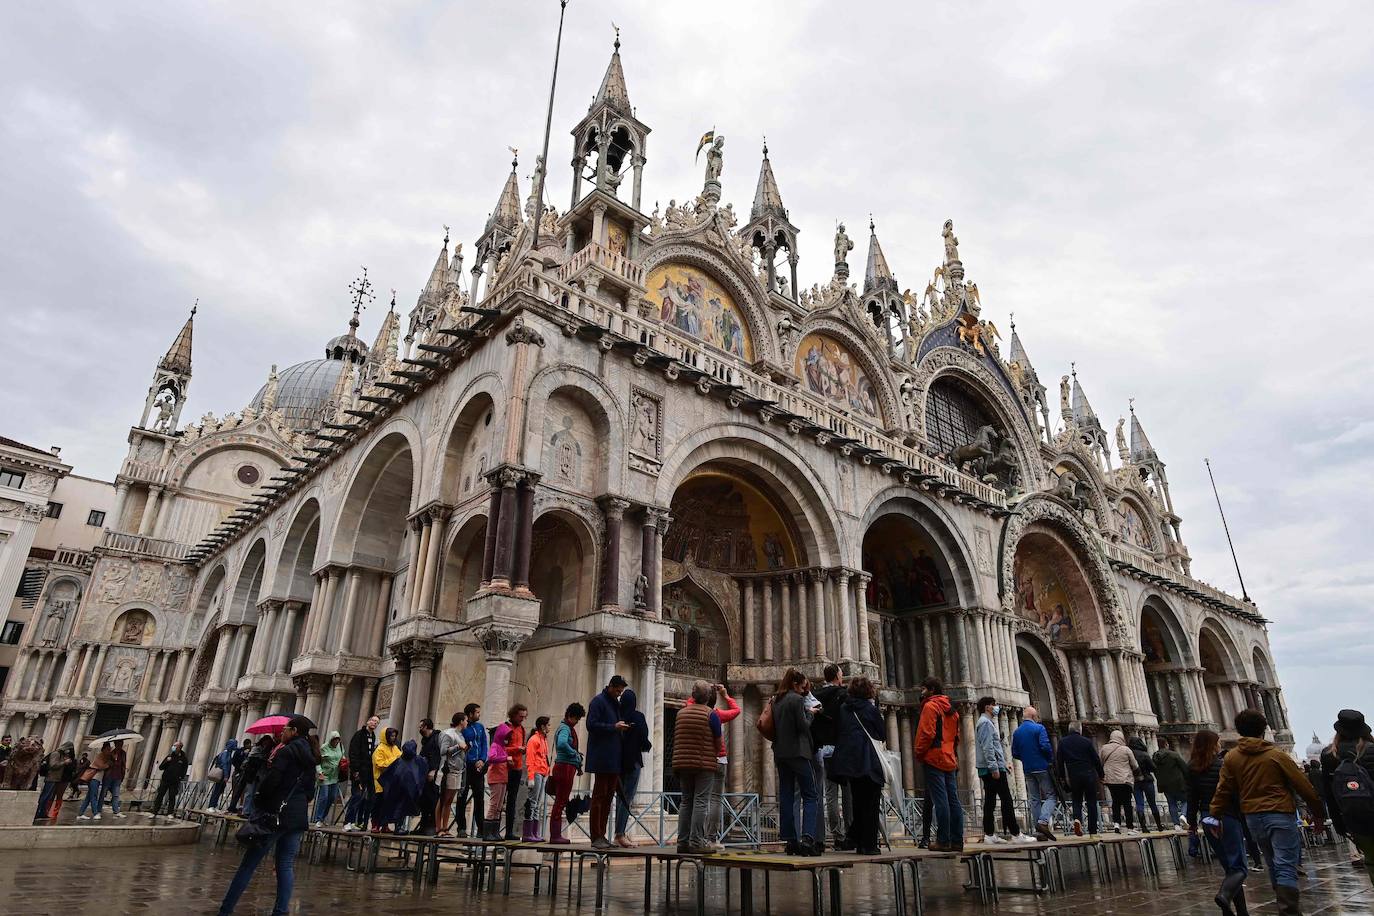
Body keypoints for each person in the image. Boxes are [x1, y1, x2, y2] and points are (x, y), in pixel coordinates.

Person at [1212, 709, 1326, 916]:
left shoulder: (1232, 757)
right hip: (1279, 814)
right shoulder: (1276, 755)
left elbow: (1223, 790)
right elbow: (1303, 786)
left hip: (1253, 818)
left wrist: (1215, 815)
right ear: (1264, 729)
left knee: (1273, 860)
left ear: (1239, 731)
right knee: (1285, 863)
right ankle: (1289, 910)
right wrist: (1318, 813)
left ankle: (1284, 904)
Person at [215, 715, 319, 915]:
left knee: (248, 865)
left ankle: (226, 910)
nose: (283, 732)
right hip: (296, 818)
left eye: (287, 728)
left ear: (295, 731)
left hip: (275, 815)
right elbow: (310, 791)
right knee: (286, 865)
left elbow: (271, 783)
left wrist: (259, 802)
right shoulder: (311, 757)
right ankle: (280, 912)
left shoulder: (286, 752)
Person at [1189, 729, 1250, 916]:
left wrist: (1192, 824)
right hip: (1226, 816)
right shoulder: (1223, 765)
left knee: (1229, 867)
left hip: (1207, 818)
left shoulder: (1191, 767)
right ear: (1212, 745)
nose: (1220, 744)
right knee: (1239, 867)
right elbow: (1234, 794)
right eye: (1218, 742)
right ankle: (1224, 895)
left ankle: (1239, 911)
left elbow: (1191, 799)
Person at [829, 676, 886, 855]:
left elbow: (838, 730)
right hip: (869, 761)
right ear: (869, 691)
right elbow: (882, 733)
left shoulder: (844, 709)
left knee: (858, 802)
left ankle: (858, 841)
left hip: (850, 764)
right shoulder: (871, 709)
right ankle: (868, 845)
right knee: (871, 804)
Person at [1320, 709, 1374, 886]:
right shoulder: (1371, 750)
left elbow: (1330, 794)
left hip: (1355, 821)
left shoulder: (1329, 756)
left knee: (1372, 861)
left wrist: (1339, 824)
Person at [772, 668, 821, 856]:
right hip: (798, 753)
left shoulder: (776, 700)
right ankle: (808, 838)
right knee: (810, 794)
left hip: (781, 753)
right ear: (795, 684)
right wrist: (811, 714)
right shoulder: (797, 700)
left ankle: (790, 840)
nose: (803, 691)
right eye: (802, 687)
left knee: (786, 794)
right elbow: (803, 726)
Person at [674, 679, 725, 854]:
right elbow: (719, 744)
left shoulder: (681, 713)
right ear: (709, 697)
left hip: (682, 762)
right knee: (701, 801)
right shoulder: (711, 715)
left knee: (686, 801)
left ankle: (682, 841)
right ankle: (696, 842)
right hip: (703, 764)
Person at [685, 683, 739, 847]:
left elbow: (690, 702)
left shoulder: (692, 710)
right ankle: (712, 838)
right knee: (715, 799)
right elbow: (736, 710)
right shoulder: (717, 714)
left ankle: (694, 838)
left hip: (702, 759)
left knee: (697, 800)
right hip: (719, 759)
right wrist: (725, 694)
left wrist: (701, 691)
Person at [916, 677, 963, 852]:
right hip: (949, 757)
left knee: (940, 800)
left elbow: (926, 733)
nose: (921, 692)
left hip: (934, 757)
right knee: (953, 800)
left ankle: (943, 840)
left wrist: (919, 753)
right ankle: (957, 840)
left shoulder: (931, 706)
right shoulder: (952, 710)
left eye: (923, 689)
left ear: (932, 690)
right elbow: (956, 736)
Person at [811, 663, 854, 850]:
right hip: (841, 748)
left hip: (821, 748)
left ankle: (835, 835)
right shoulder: (843, 695)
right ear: (837, 676)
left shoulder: (816, 694)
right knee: (847, 793)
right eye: (841, 674)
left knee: (829, 794)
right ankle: (850, 834)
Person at [586, 674, 630, 849]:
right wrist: (613, 727)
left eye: (621, 691)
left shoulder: (614, 704)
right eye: (618, 690)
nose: (619, 694)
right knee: (599, 797)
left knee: (608, 797)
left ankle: (602, 835)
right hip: (602, 757)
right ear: (610, 686)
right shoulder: (598, 702)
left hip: (613, 758)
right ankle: (595, 836)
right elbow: (591, 725)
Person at [975, 697, 1025, 843]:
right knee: (1006, 799)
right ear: (987, 707)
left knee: (990, 801)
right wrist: (995, 767)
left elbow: (994, 747)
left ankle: (990, 835)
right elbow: (988, 747)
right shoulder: (985, 723)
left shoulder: (986, 722)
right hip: (992, 769)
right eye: (994, 705)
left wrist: (1003, 763)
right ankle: (1016, 834)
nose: (996, 707)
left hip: (991, 767)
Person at [1012, 706, 1057, 841]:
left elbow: (1015, 753)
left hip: (1027, 768)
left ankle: (1040, 833)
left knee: (1034, 799)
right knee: (1051, 796)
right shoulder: (1039, 728)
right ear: (1034, 717)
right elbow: (1045, 746)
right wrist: (1049, 759)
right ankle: (1043, 822)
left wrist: (1026, 759)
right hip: (1042, 767)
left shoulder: (1017, 732)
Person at [613, 688, 650, 847]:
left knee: (621, 798)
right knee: (626, 798)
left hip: (617, 762)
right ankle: (620, 834)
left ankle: (619, 832)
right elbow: (644, 737)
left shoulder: (617, 716)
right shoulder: (637, 716)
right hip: (633, 761)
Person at [486, 704, 528, 840]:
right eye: (520, 716)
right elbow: (501, 749)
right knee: (498, 801)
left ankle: (509, 831)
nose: (522, 719)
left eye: (524, 717)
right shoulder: (504, 728)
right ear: (514, 714)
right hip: (505, 768)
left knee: (512, 800)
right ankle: (492, 832)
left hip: (517, 767)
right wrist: (517, 749)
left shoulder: (521, 729)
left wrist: (522, 750)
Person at [1056, 721, 1104, 835]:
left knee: (1076, 799)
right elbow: (1096, 759)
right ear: (1079, 730)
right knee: (1091, 801)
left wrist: (1062, 777)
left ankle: (1077, 820)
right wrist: (1101, 775)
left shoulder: (1062, 742)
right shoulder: (1086, 742)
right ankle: (1093, 829)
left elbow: (1059, 762)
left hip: (1073, 775)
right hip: (1088, 774)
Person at [549, 703, 585, 844]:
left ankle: (556, 834)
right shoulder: (565, 728)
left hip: (566, 767)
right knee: (560, 801)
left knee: (561, 800)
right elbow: (562, 744)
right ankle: (555, 835)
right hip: (564, 767)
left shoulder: (566, 727)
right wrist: (574, 753)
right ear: (571, 716)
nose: (577, 722)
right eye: (576, 719)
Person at [377, 739, 428, 834]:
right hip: (404, 790)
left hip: (399, 790)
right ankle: (398, 827)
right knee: (400, 809)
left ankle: (397, 826)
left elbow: (389, 775)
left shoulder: (401, 761)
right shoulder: (414, 760)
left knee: (399, 809)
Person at [455, 703, 488, 837]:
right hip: (465, 766)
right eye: (477, 712)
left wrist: (482, 759)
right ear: (470, 714)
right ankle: (461, 828)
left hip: (478, 766)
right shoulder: (463, 728)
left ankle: (481, 828)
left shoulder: (480, 727)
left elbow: (484, 744)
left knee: (479, 797)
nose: (479, 715)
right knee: (462, 796)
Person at [1100, 729, 1140, 833]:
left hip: (1110, 780)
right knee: (1127, 803)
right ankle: (1130, 827)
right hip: (1124, 779)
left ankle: (1116, 824)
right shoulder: (1125, 749)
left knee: (1115, 801)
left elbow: (1100, 761)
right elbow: (1135, 765)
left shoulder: (1104, 748)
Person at [435, 711, 469, 836]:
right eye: (465, 720)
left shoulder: (460, 735)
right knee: (443, 798)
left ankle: (446, 827)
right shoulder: (448, 734)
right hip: (447, 770)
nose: (467, 723)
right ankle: (439, 828)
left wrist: (463, 748)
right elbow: (443, 751)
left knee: (449, 800)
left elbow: (459, 751)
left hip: (457, 769)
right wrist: (458, 747)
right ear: (460, 721)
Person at [344, 715, 379, 831]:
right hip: (359, 772)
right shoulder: (359, 735)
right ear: (368, 721)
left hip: (368, 773)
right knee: (357, 795)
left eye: (377, 722)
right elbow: (353, 752)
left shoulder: (373, 736)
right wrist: (355, 770)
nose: (374, 723)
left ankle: (359, 821)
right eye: (373, 721)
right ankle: (348, 821)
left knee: (366, 798)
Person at [1128, 735, 1164, 831]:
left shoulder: (1129, 754)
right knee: (1152, 803)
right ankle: (1159, 825)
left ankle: (1143, 826)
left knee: (1139, 803)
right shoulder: (1144, 754)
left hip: (1135, 781)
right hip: (1147, 780)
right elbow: (1153, 767)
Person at [524, 716, 552, 842]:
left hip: (542, 773)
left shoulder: (544, 740)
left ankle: (534, 832)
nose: (550, 727)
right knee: (532, 802)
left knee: (537, 803)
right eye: (548, 725)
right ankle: (528, 833)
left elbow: (544, 757)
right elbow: (530, 760)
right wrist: (530, 777)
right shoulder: (534, 740)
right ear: (543, 726)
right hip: (535, 773)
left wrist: (548, 771)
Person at [1154, 738, 1191, 828]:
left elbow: (1155, 770)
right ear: (1166, 745)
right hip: (1178, 783)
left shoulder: (1155, 757)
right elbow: (1184, 767)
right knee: (1186, 800)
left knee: (1171, 804)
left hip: (1164, 785)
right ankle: (1183, 815)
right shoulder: (1173, 755)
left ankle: (1176, 824)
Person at [35, 741, 75, 821]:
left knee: (48, 796)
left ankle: (43, 813)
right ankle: (38, 812)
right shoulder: (56, 753)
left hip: (55, 778)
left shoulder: (60, 754)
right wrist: (64, 762)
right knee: (45, 796)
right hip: (51, 777)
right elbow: (53, 765)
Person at [370, 727, 401, 833]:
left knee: (388, 804)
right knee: (378, 804)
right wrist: (394, 761)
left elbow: (400, 758)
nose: (393, 738)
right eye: (391, 736)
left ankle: (385, 825)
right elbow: (380, 764)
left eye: (394, 736)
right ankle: (375, 825)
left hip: (391, 782)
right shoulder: (379, 749)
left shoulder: (395, 748)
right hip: (380, 781)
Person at [311, 731, 343, 827]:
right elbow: (318, 761)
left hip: (335, 776)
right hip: (324, 776)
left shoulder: (340, 747)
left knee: (332, 797)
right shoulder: (324, 748)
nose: (336, 743)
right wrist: (319, 772)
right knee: (324, 797)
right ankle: (318, 818)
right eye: (334, 741)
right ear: (331, 740)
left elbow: (342, 756)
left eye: (338, 741)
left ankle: (323, 817)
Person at [151, 741, 189, 819]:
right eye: (173, 745)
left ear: (179, 747)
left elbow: (184, 769)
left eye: (175, 745)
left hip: (175, 781)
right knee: (160, 795)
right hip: (165, 779)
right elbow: (161, 767)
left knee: (172, 797)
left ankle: (170, 812)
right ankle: (154, 811)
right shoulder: (170, 756)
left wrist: (180, 777)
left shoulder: (183, 758)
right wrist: (166, 761)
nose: (173, 747)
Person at [239, 736, 275, 819]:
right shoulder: (256, 749)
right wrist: (264, 757)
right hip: (252, 774)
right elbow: (252, 758)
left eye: (268, 742)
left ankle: (252, 811)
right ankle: (246, 811)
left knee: (256, 793)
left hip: (260, 775)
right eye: (265, 742)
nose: (266, 744)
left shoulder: (268, 751)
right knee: (249, 792)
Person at [416, 719, 441, 835]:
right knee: (424, 800)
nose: (419, 729)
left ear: (426, 727)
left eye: (421, 726)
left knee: (432, 800)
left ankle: (432, 826)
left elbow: (437, 755)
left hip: (432, 773)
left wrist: (434, 770)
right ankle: (423, 825)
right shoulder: (425, 740)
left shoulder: (436, 738)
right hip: (424, 774)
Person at [76, 741, 112, 820]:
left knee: (88, 797)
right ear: (104, 749)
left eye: (110, 749)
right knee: (94, 796)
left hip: (97, 778)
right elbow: (100, 766)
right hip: (94, 778)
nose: (109, 751)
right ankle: (95, 813)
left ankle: (80, 813)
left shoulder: (106, 757)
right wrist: (108, 764)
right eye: (108, 749)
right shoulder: (100, 756)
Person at [207, 739, 238, 811]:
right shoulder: (225, 753)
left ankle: (214, 805)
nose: (235, 746)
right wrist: (226, 776)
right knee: (217, 790)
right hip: (221, 774)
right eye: (234, 744)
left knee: (219, 790)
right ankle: (211, 806)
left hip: (223, 775)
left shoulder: (228, 753)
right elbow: (225, 765)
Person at [104, 739, 128, 818]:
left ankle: (116, 811)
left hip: (118, 776)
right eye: (118, 743)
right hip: (109, 775)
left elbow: (123, 765)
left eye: (121, 743)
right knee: (103, 793)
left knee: (116, 795)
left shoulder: (123, 753)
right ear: (115, 744)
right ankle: (98, 809)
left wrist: (122, 776)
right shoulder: (111, 753)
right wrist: (114, 759)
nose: (120, 745)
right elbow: (107, 764)